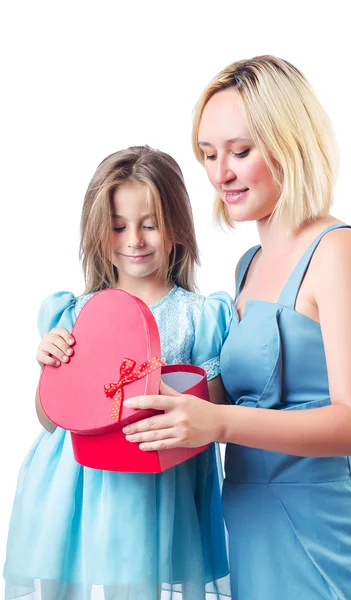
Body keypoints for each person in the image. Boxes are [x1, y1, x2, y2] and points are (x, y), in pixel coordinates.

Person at [120, 57, 351, 599]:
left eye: (240, 152)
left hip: (331, 533)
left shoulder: (341, 252)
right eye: (208, 155)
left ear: (290, 143)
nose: (220, 174)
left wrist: (217, 422)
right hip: (251, 527)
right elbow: (225, 396)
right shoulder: (249, 266)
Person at [3, 146, 232, 600]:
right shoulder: (75, 313)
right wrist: (49, 365)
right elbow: (50, 420)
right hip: (79, 489)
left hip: (160, 486)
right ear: (98, 230)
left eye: (150, 225)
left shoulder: (199, 315)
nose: (134, 240)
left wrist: (173, 391)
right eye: (118, 226)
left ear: (177, 228)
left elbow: (217, 413)